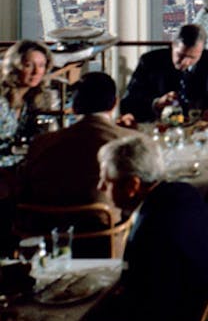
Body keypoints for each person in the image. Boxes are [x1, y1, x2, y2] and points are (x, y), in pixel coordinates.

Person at [97, 135, 208, 321]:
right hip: (203, 304)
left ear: (132, 185)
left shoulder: (150, 230)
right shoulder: (185, 191)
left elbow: (150, 311)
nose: (100, 187)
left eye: (106, 182)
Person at [19, 72, 137, 220]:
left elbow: (25, 187)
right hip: (106, 235)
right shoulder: (132, 140)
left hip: (44, 230)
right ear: (115, 104)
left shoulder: (41, 143)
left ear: (74, 108)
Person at [119, 24, 208, 125]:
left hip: (199, 129)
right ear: (172, 45)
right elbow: (126, 104)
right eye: (180, 55)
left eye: (192, 58)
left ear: (202, 51)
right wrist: (156, 103)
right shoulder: (150, 61)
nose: (184, 62)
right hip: (159, 127)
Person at [0, 40, 59, 168]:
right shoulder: (2, 102)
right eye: (28, 65)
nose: (36, 71)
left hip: (16, 167)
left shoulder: (31, 100)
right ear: (14, 68)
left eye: (41, 65)